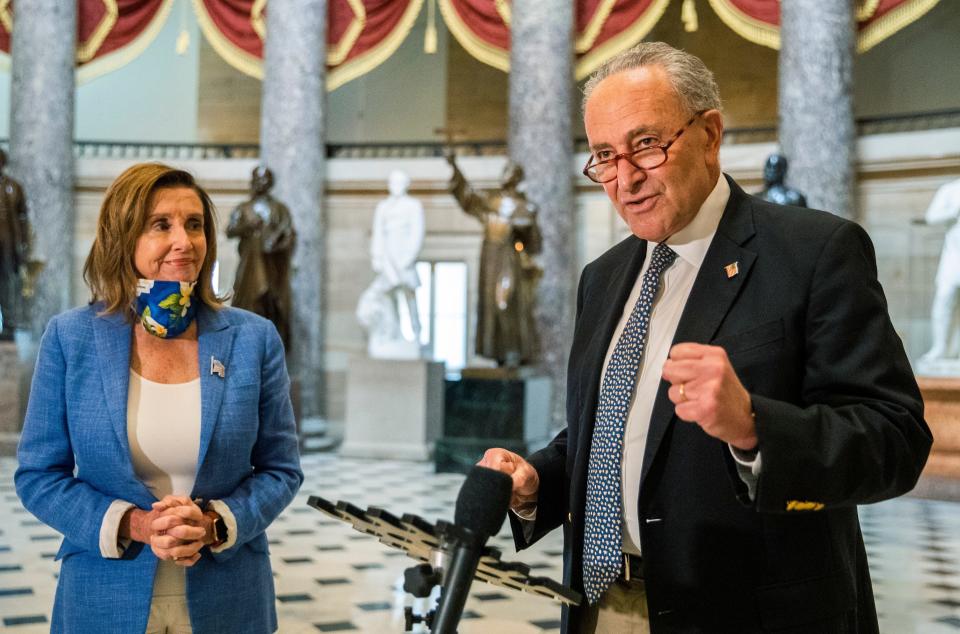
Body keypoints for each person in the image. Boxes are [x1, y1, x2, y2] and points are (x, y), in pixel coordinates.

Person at [479, 43, 930, 633]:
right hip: (601, 606)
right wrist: (542, 479)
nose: (625, 178)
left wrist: (754, 427)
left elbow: (895, 442)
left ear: (710, 134)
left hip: (751, 614)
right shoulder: (604, 277)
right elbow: (617, 428)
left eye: (646, 145)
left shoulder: (814, 252)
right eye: (604, 157)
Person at [15, 163, 303, 633]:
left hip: (229, 600)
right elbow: (38, 476)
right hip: (103, 595)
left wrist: (215, 523)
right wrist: (136, 525)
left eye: (194, 225)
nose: (184, 242)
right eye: (160, 225)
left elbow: (281, 469)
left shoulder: (254, 339)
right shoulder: (71, 338)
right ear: (122, 238)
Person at [446, 153, 542, 367]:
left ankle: (516, 351)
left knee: (505, 303)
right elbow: (468, 196)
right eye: (504, 171)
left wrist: (524, 229)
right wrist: (454, 167)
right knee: (490, 305)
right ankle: (498, 353)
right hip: (490, 257)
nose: (505, 176)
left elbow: (535, 244)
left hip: (509, 257)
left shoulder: (525, 207)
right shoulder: (491, 202)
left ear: (517, 178)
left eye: (509, 172)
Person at [356, 170, 425, 358]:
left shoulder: (413, 205)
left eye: (400, 182)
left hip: (403, 256)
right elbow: (378, 233)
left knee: (409, 297)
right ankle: (392, 335)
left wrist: (406, 259)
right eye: (393, 182)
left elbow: (416, 234)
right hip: (388, 257)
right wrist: (377, 257)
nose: (396, 186)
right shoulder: (383, 207)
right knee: (388, 298)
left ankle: (417, 334)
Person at [227, 165, 296, 347]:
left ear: (270, 183)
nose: (260, 182)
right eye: (257, 178)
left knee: (271, 305)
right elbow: (230, 230)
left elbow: (289, 235)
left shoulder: (279, 209)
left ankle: (269, 346)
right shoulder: (244, 208)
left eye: (265, 179)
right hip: (249, 265)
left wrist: (276, 244)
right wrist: (247, 226)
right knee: (248, 304)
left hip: (273, 266)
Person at [919, 178, 960, 362]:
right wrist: (953, 211)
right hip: (953, 256)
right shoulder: (950, 189)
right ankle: (939, 347)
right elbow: (931, 216)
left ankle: (955, 350)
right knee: (943, 299)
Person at [0, 148, 30, 336]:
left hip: (7, 245)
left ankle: (9, 324)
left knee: (8, 285)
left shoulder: (14, 187)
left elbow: (22, 219)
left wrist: (23, 244)